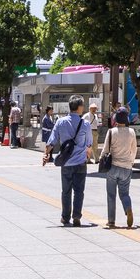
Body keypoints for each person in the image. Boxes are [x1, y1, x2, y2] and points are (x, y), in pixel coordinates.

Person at [44, 97, 93, 226]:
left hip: (66, 163)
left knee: (66, 191)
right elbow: (89, 143)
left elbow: (52, 140)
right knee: (79, 191)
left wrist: (46, 154)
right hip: (81, 163)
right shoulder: (85, 124)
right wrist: (88, 154)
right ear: (80, 108)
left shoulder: (60, 122)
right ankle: (76, 216)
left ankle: (65, 217)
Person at [101, 108, 137, 229]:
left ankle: (111, 221)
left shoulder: (112, 132)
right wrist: (132, 161)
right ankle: (128, 208)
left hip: (113, 167)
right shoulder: (131, 132)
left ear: (116, 119)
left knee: (111, 195)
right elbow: (134, 149)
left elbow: (106, 149)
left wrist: (101, 159)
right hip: (126, 167)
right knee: (124, 193)